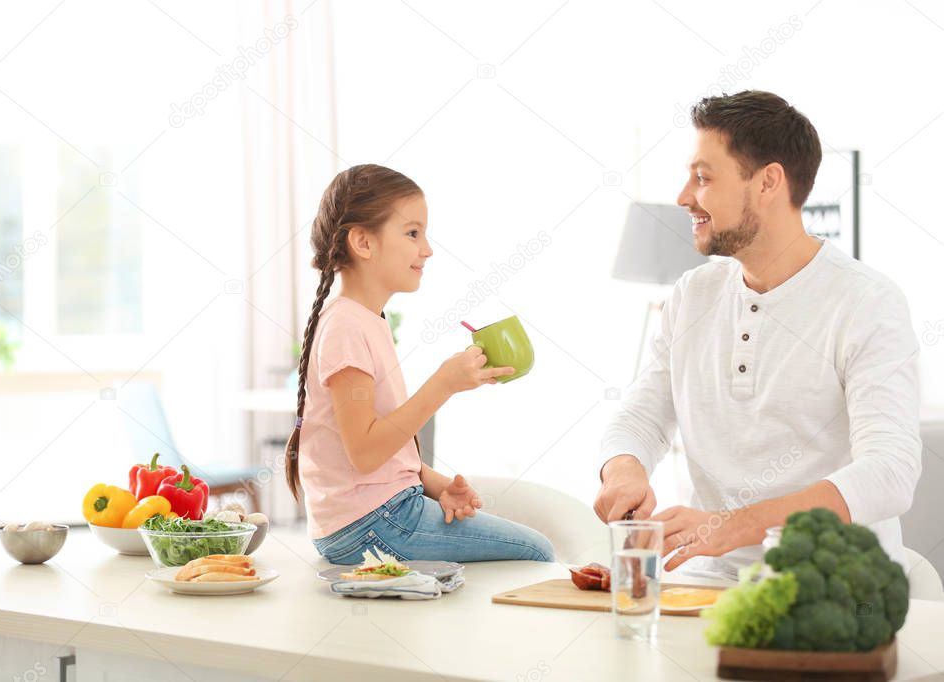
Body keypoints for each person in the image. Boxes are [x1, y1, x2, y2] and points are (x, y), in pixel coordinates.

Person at [596, 90, 921, 578]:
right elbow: (643, 415)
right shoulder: (693, 294)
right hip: (707, 569)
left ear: (769, 182)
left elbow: (889, 473)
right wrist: (624, 471)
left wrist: (741, 523)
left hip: (832, 579)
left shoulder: (867, 302)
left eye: (703, 178)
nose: (684, 197)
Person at [285, 163, 554, 565]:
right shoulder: (346, 327)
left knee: (528, 548)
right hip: (371, 524)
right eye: (413, 233)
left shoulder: (366, 321)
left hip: (375, 515)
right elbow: (364, 452)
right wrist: (443, 384)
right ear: (363, 241)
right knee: (536, 551)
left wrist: (436, 485)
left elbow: (378, 454)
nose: (426, 249)